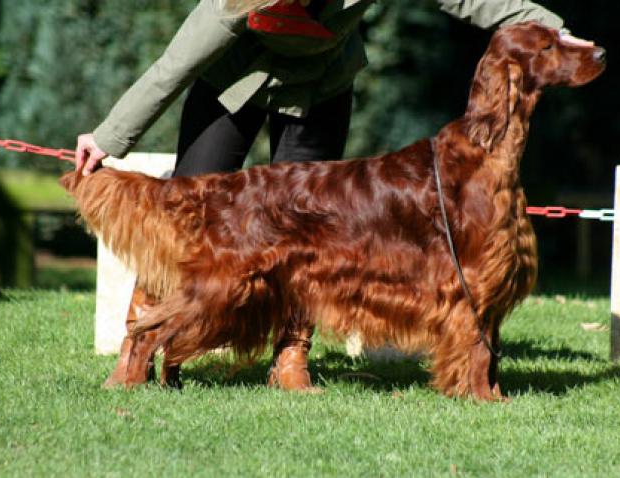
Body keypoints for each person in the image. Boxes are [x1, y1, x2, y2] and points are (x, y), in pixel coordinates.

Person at [76, 0, 594, 391]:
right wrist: (110, 137)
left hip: (320, 85)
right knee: (202, 213)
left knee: (313, 236)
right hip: (235, 80)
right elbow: (172, 65)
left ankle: (290, 358)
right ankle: (138, 349)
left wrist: (556, 33)